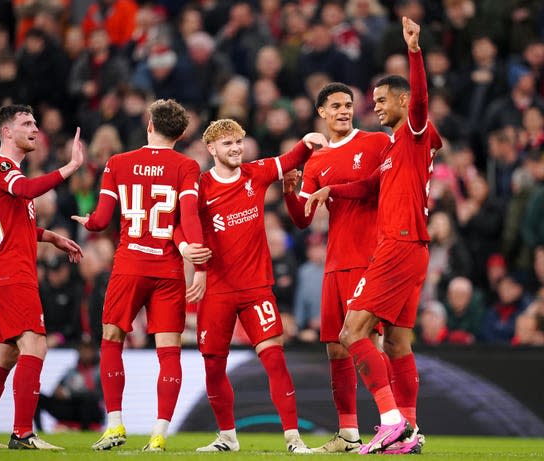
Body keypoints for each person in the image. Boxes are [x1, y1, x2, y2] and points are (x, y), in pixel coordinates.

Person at [305, 17, 442, 454]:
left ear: (403, 101)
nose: (375, 107)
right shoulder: (392, 148)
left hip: (398, 243)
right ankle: (410, 431)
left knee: (351, 334)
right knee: (399, 342)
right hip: (413, 247)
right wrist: (332, 188)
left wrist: (414, 50)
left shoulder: (415, 132)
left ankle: (390, 421)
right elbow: (369, 187)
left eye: (382, 100)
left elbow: (420, 97)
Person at [178, 118, 327, 453]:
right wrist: (186, 248)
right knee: (213, 366)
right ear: (211, 149)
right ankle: (227, 437)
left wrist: (306, 142)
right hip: (216, 290)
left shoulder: (255, 174)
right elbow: (178, 225)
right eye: (228, 144)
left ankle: (293, 438)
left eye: (239, 142)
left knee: (275, 360)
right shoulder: (200, 187)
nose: (235, 149)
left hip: (256, 288)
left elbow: (288, 161)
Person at [71, 99, 210, 452]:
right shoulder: (187, 166)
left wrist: (88, 221)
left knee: (111, 339)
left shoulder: (117, 163)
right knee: (169, 351)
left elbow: (101, 220)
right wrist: (200, 263)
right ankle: (159, 434)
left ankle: (115, 424)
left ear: (149, 125)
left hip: (129, 266)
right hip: (167, 270)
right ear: (180, 134)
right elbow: (189, 219)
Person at [0, 104, 84, 450]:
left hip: (5, 271)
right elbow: (28, 191)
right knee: (35, 345)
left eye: (35, 122)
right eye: (26, 123)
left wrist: (52, 237)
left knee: (5, 356)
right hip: (14, 273)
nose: (35, 129)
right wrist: (71, 166)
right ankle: (23, 433)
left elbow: (17, 225)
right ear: (6, 132)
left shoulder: (5, 174)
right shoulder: (2, 166)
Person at [281, 81, 390, 453]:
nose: (344, 111)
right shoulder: (317, 160)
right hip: (335, 261)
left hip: (370, 257)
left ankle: (393, 424)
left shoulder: (376, 143)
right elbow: (303, 218)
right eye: (336, 106)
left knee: (365, 340)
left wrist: (336, 191)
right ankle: (348, 434)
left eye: (348, 105)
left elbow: (381, 185)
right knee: (337, 351)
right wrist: (288, 192)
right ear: (322, 113)